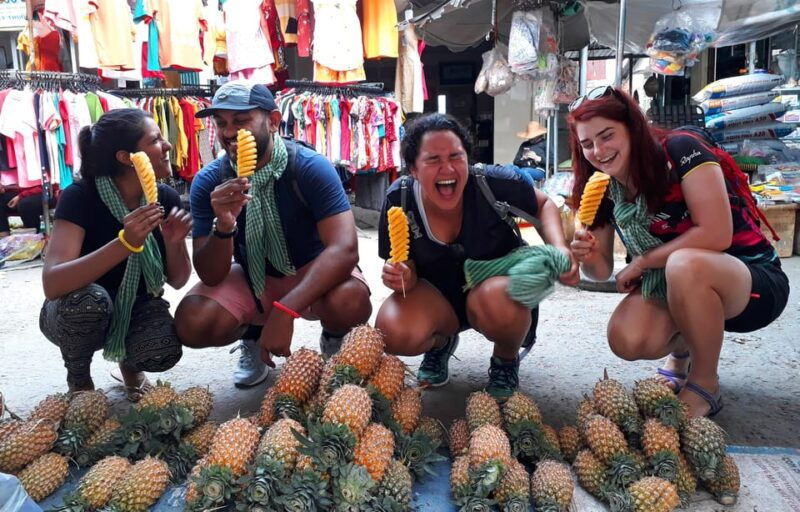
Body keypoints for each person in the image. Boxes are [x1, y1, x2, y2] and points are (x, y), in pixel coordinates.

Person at [567, 86, 790, 418]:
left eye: (607, 135)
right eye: (587, 144)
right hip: (676, 284)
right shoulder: (601, 186)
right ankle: (685, 350)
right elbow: (599, 272)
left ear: (631, 126)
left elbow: (716, 233)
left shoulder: (681, 150)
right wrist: (584, 253)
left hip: (752, 282)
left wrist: (643, 261)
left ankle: (705, 384)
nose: (598, 151)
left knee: (683, 265)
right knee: (627, 338)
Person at [174, 81, 372, 387]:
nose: (229, 133)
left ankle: (334, 337)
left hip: (310, 269)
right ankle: (252, 336)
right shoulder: (209, 182)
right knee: (194, 321)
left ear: (274, 121)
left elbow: (345, 249)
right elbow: (211, 275)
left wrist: (286, 310)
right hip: (252, 274)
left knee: (350, 300)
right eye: (222, 123)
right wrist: (224, 226)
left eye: (241, 122)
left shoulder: (308, 167)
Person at [376, 113, 578, 400]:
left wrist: (559, 247)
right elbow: (400, 260)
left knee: (501, 299)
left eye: (456, 157)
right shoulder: (401, 198)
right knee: (393, 330)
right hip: (437, 297)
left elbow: (543, 204)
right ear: (413, 169)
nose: (448, 168)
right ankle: (440, 343)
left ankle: (505, 360)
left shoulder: (492, 182)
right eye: (433, 159)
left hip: (495, 293)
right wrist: (401, 274)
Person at [40, 108, 191, 400]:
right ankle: (79, 377)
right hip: (76, 309)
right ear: (126, 157)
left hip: (137, 305)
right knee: (89, 302)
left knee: (162, 351)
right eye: (155, 140)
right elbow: (53, 283)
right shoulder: (81, 197)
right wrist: (126, 243)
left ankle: (130, 365)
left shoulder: (165, 198)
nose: (168, 145)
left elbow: (178, 280)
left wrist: (174, 244)